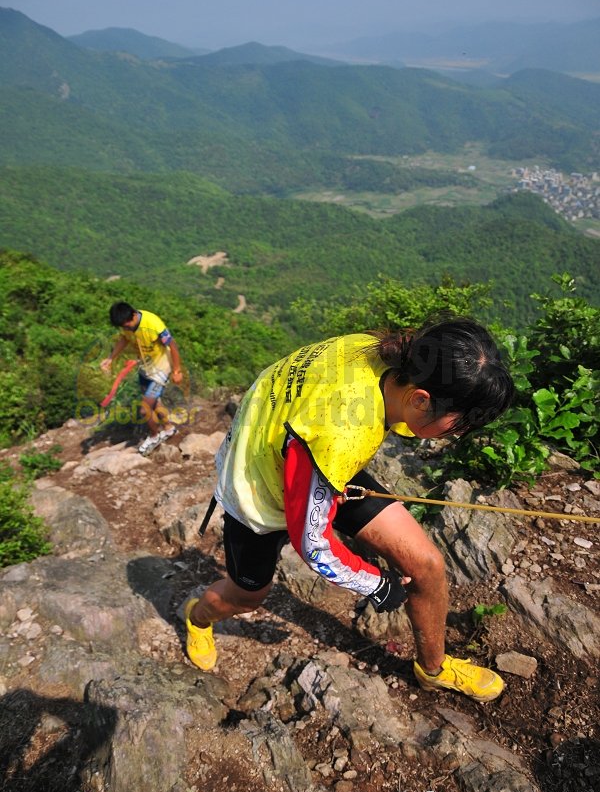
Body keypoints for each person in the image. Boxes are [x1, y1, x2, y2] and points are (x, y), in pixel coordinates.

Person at [185, 318, 514, 702]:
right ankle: (196, 617)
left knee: (426, 565)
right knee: (245, 597)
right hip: (256, 490)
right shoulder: (343, 433)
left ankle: (434, 670)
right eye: (459, 423)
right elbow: (311, 543)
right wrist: (376, 585)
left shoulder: (377, 353)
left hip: (313, 461)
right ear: (421, 399)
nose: (457, 433)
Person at [101, 301, 183, 454]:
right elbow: (124, 339)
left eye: (127, 325)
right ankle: (168, 428)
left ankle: (154, 436)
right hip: (145, 366)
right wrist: (111, 358)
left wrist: (177, 370)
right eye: (123, 327)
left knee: (145, 409)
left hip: (161, 367)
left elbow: (173, 345)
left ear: (133, 315)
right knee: (154, 401)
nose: (126, 328)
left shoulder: (152, 323)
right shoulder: (127, 325)